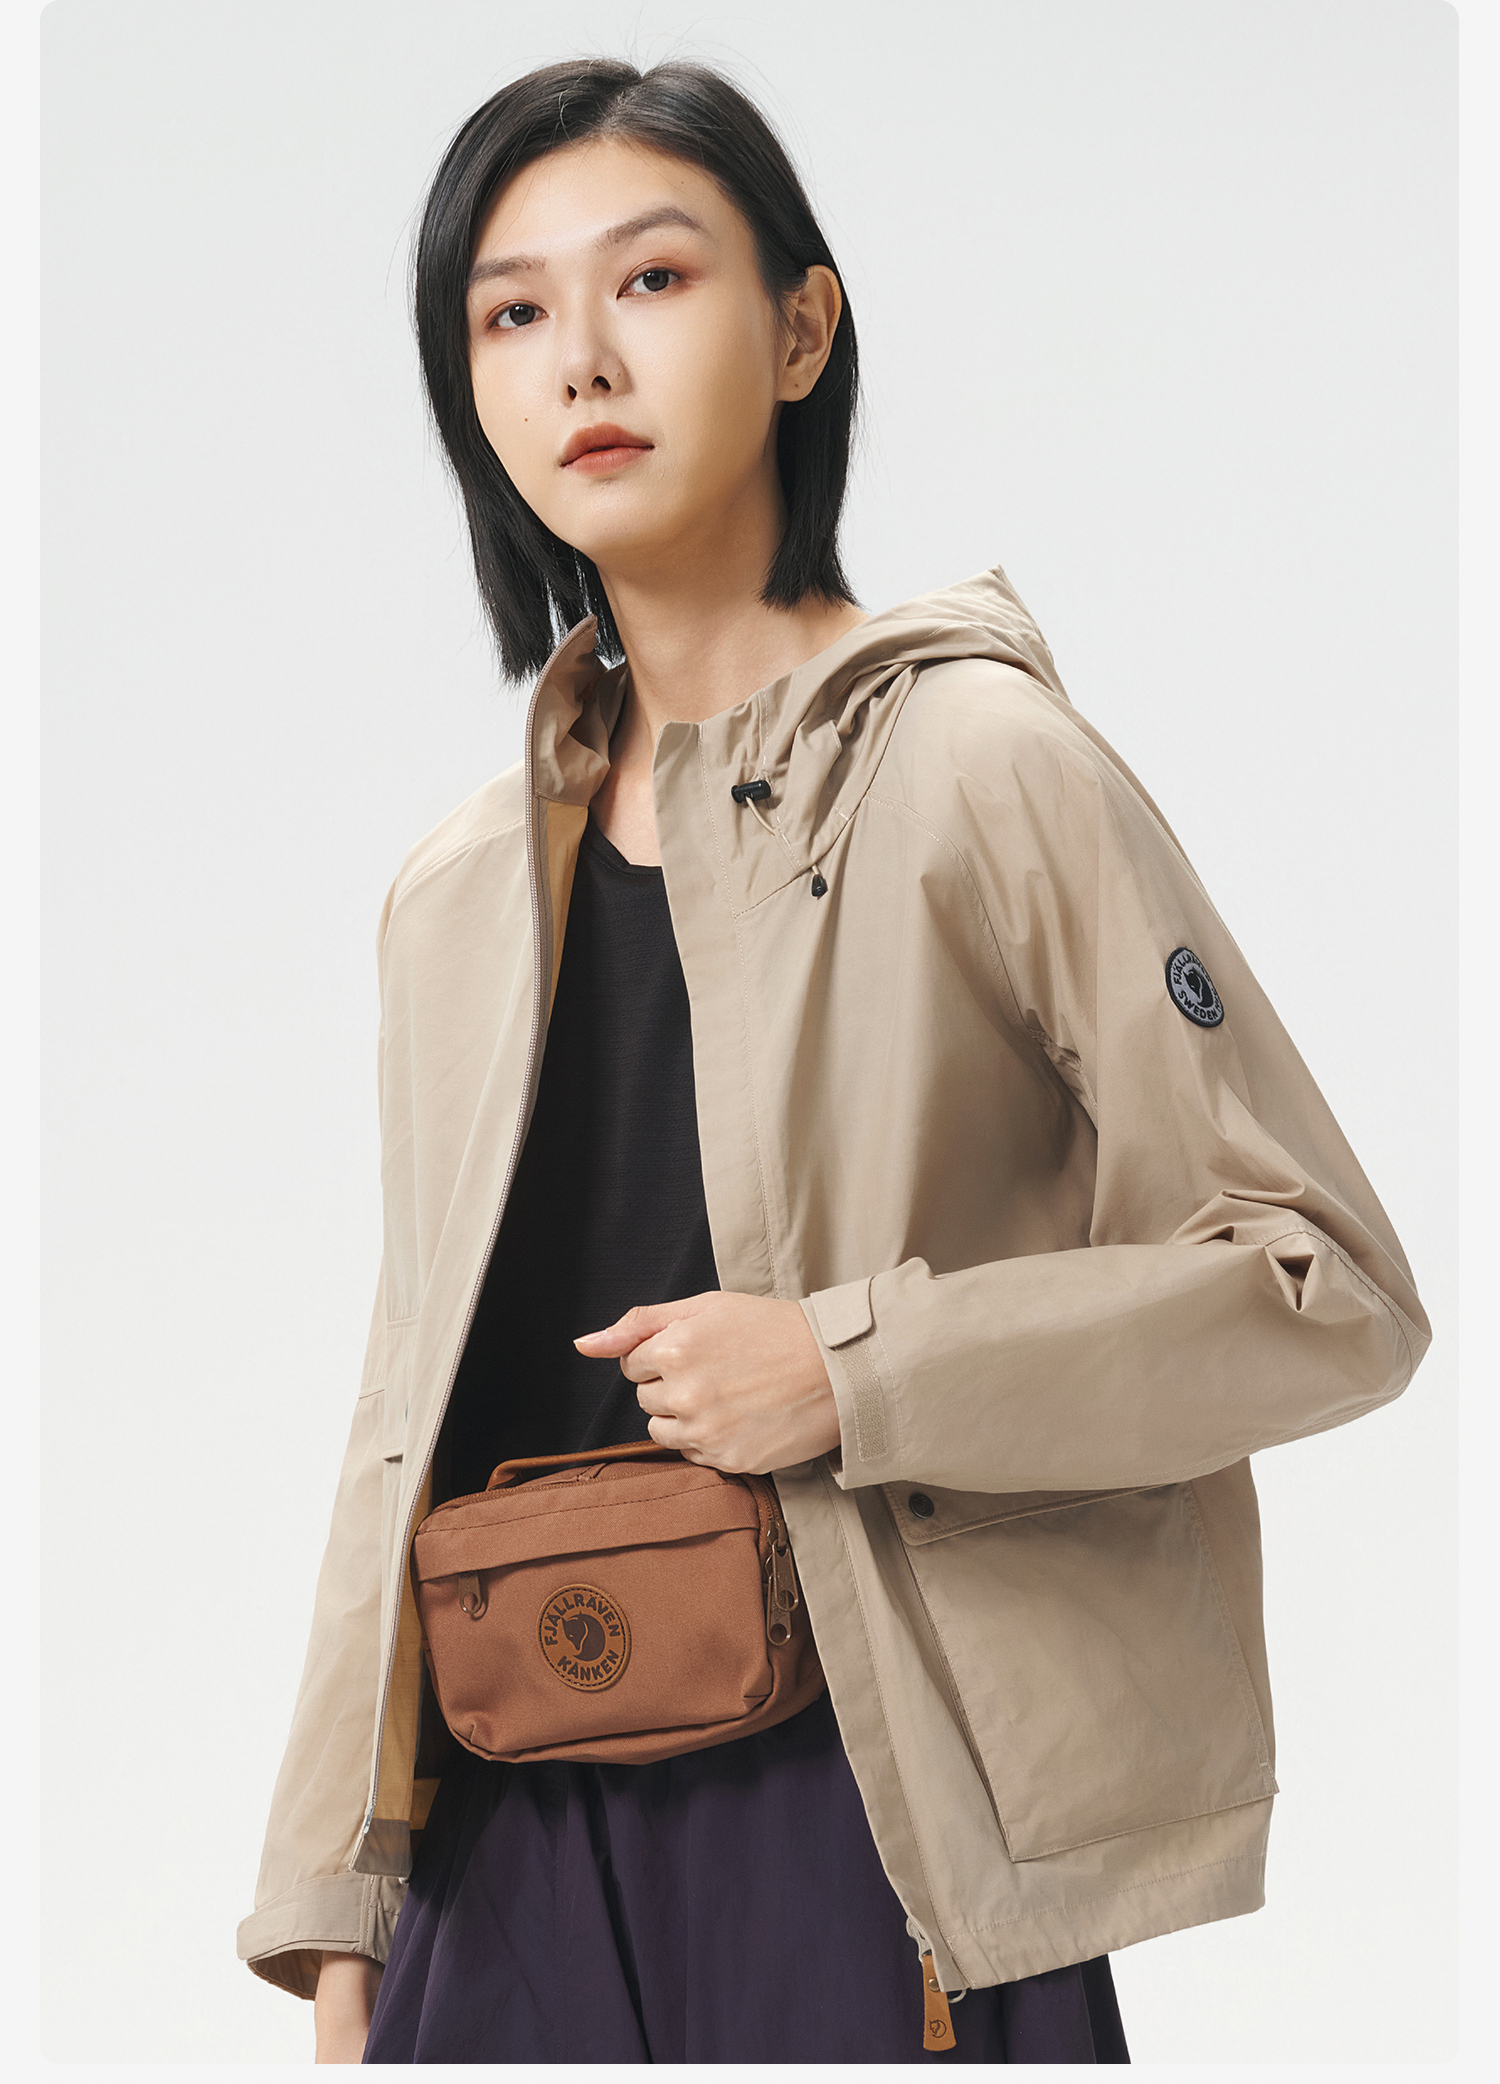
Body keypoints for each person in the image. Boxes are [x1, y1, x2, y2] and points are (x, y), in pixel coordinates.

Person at [235, 57, 1431, 2065]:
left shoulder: (982, 769)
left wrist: (851, 1367)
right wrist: (337, 1893)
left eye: (653, 280)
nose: (580, 358)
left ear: (801, 330)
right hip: (503, 1841)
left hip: (869, 1815)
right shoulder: (454, 896)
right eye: (511, 313)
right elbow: (399, 1401)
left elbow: (1325, 1293)